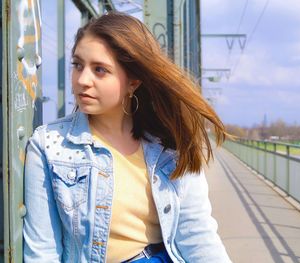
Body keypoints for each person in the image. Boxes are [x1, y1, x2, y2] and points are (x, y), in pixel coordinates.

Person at [23, 11, 232, 263]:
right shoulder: (49, 145)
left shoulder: (169, 146)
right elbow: (42, 252)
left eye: (100, 70)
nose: (82, 80)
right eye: (78, 65)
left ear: (133, 82)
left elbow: (197, 236)